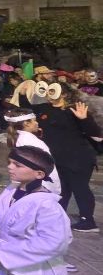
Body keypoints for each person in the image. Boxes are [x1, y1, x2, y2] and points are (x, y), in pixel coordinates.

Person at [37, 88, 101, 233]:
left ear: (64, 94)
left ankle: (88, 221)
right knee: (62, 189)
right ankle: (58, 216)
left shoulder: (74, 110)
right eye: (48, 91)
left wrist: (84, 119)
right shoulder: (45, 109)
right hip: (58, 158)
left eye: (52, 90)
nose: (48, 94)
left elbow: (97, 135)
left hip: (78, 158)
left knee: (80, 188)